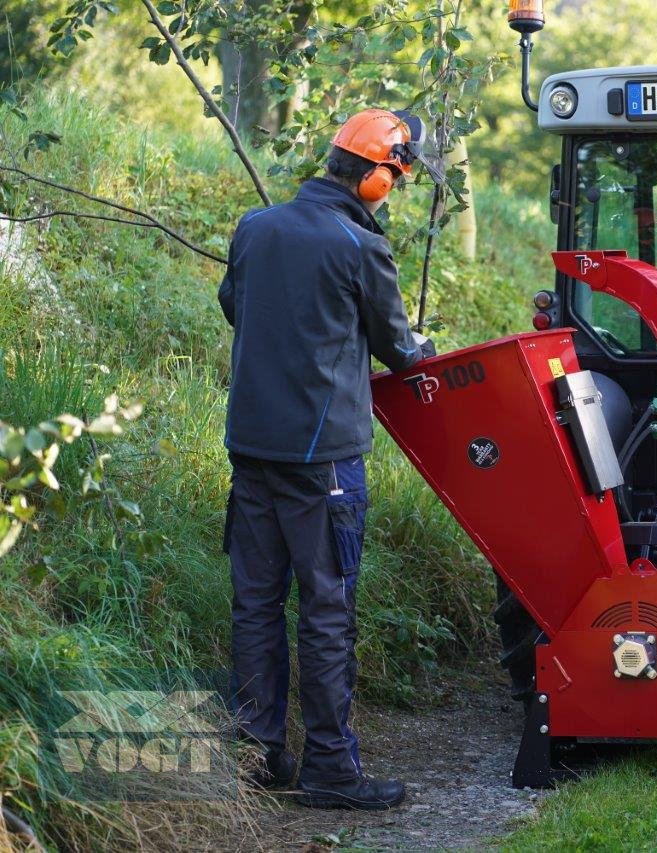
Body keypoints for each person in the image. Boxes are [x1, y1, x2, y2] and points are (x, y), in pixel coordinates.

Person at [217, 109, 436, 810]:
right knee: (326, 607)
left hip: (251, 448)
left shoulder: (256, 227)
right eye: (396, 177)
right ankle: (332, 769)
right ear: (374, 174)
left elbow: (236, 306)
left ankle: (257, 756)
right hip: (324, 465)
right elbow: (399, 350)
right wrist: (422, 349)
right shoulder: (358, 245)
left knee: (254, 601)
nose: (394, 189)